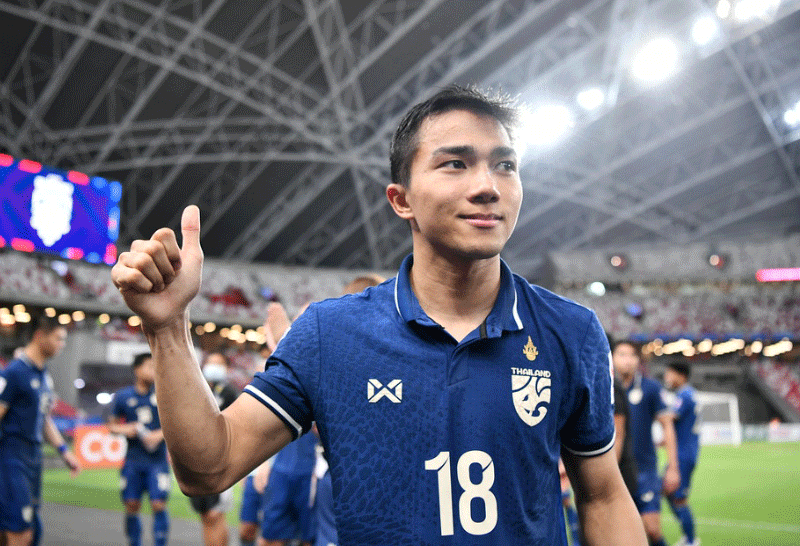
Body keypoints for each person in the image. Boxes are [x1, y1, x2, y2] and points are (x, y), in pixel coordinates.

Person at [111, 85, 646, 545]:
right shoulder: (330, 334)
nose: (488, 185)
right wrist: (167, 329)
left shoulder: (571, 331)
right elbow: (210, 466)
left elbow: (602, 496)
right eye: (456, 163)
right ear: (401, 199)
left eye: (505, 165)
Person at [0, 316, 81, 546]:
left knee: (24, 531)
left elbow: (44, 419)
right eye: (59, 338)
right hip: (12, 459)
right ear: (39, 336)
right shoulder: (14, 373)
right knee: (21, 533)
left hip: (33, 460)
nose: (62, 345)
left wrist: (64, 452)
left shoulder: (44, 375)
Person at [613, 340, 680, 546]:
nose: (628, 360)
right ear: (612, 358)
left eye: (632, 355)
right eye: (622, 354)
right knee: (618, 534)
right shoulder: (604, 388)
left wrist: (673, 467)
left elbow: (667, 425)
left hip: (645, 470)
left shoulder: (651, 388)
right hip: (615, 470)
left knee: (651, 529)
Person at [108, 352, 170, 546]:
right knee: (132, 504)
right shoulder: (123, 396)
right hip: (133, 460)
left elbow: (176, 424)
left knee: (158, 504)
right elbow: (112, 426)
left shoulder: (164, 394)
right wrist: (127, 429)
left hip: (158, 462)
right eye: (149, 366)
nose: (153, 371)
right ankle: (134, 542)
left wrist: (158, 435)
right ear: (137, 369)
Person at [189, 352, 241, 546]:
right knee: (205, 514)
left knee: (215, 513)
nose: (213, 367)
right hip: (198, 459)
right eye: (210, 363)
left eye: (218, 364)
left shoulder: (230, 392)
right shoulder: (196, 389)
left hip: (221, 461)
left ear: (227, 368)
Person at [663, 361, 700, 546]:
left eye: (670, 373)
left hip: (683, 455)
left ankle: (691, 540)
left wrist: (649, 411)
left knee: (678, 498)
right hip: (684, 452)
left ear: (681, 375)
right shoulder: (688, 394)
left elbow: (669, 417)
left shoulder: (684, 395)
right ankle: (688, 536)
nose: (667, 377)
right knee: (667, 490)